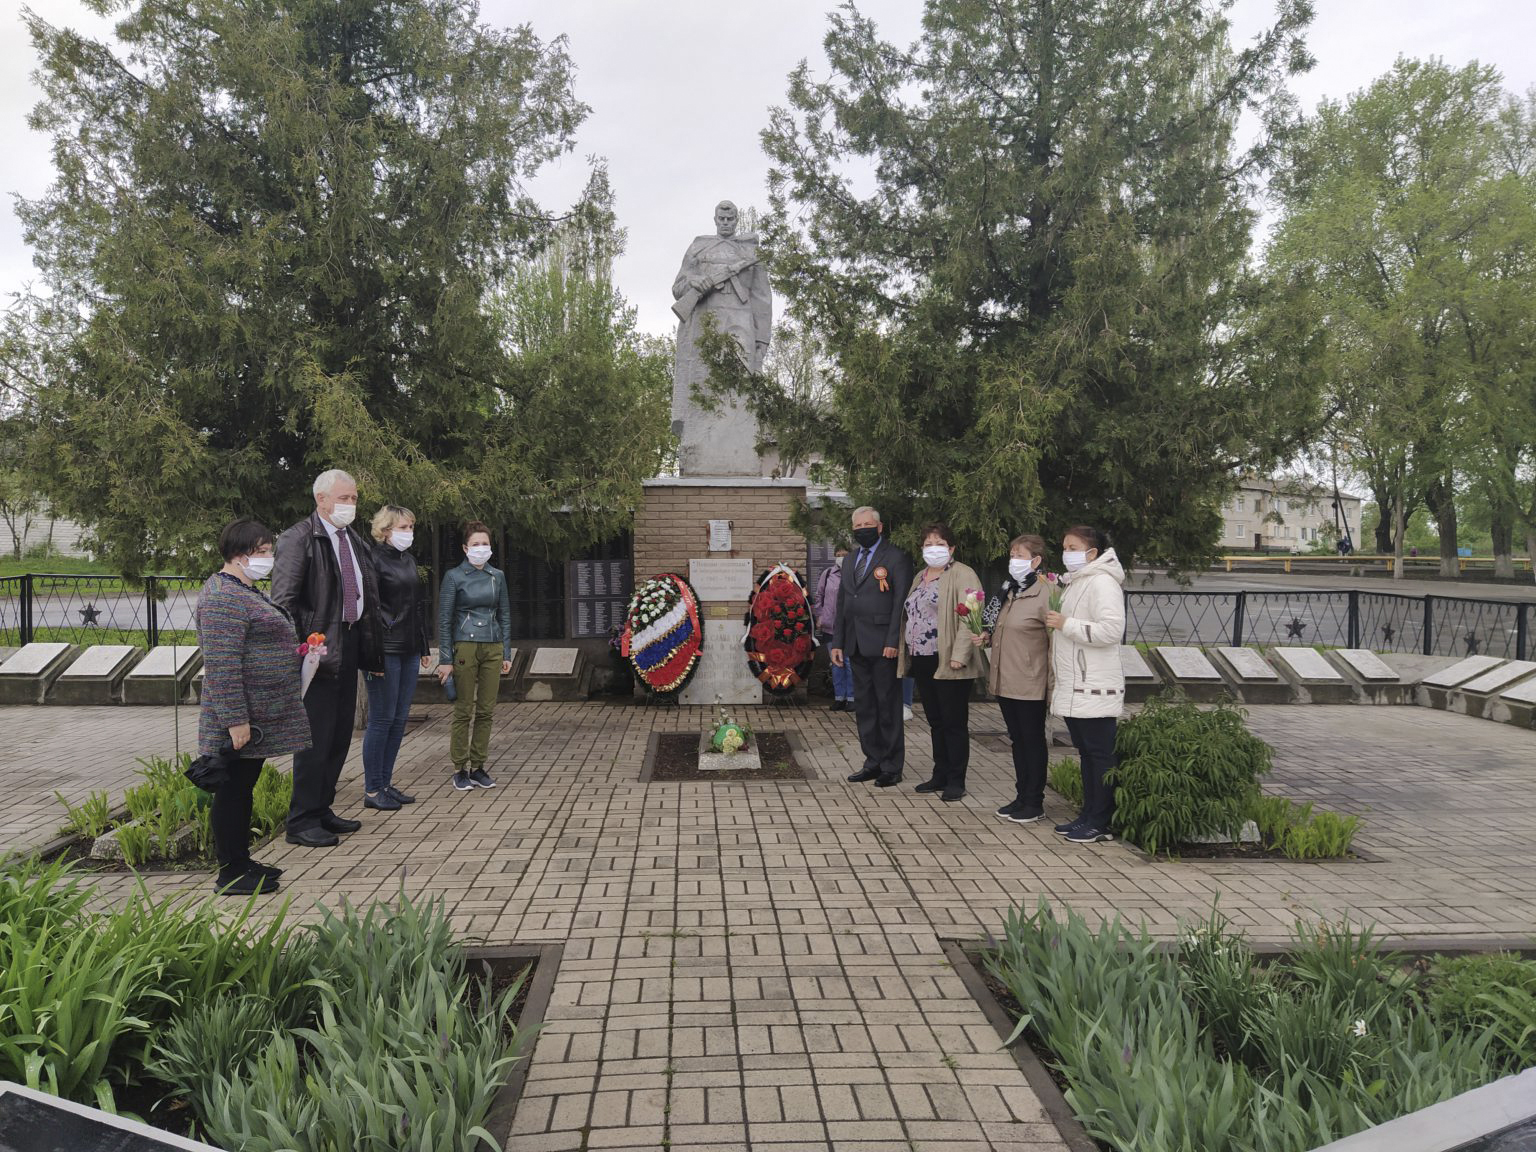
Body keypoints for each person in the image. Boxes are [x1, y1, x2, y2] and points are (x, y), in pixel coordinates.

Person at [195, 519, 310, 894]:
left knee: (243, 789)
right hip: (239, 719)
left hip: (259, 715)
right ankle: (230, 873)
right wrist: (235, 720)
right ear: (239, 554)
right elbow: (222, 665)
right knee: (232, 792)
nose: (268, 558)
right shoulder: (223, 597)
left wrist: (299, 653)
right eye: (261, 552)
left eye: (267, 550)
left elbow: (261, 641)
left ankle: (242, 860)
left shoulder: (244, 589)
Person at [272, 469, 383, 848]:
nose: (350, 505)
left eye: (353, 499)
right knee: (314, 739)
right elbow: (284, 603)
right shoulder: (299, 538)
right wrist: (305, 646)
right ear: (320, 499)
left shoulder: (352, 538)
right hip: (316, 653)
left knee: (338, 736)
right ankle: (301, 820)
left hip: (348, 643)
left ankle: (322, 809)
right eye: (343, 498)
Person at [670, 200, 774, 475]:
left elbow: (762, 298)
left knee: (741, 383)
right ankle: (702, 446)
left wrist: (762, 339)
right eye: (722, 218)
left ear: (736, 219)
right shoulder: (699, 246)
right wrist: (695, 282)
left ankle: (737, 448)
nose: (726, 223)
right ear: (715, 219)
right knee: (704, 381)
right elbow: (678, 287)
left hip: (741, 318)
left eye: (731, 218)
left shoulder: (749, 251)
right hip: (706, 320)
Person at [1046, 524, 1126, 845]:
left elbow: (1111, 631)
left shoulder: (1103, 583)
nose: (1066, 553)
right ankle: (1087, 815)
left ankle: (1100, 822)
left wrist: (1067, 623)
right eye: (1064, 546)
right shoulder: (1076, 583)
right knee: (1087, 755)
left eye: (1073, 547)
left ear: (1091, 553)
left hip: (1094, 685)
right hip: (1074, 686)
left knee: (1100, 756)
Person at [896, 522, 985, 802]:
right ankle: (940, 773)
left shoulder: (964, 574)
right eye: (928, 544)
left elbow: (972, 616)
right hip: (922, 658)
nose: (933, 549)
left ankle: (956, 780)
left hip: (949, 659)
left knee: (953, 721)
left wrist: (960, 654)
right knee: (935, 720)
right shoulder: (920, 576)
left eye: (939, 543)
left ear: (952, 548)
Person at [830, 506, 913, 787]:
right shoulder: (851, 558)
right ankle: (872, 761)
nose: (862, 528)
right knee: (865, 707)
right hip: (854, 642)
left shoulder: (896, 557)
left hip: (883, 644)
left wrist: (893, 641)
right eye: (857, 525)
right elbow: (843, 602)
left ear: (879, 527)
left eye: (868, 524)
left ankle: (891, 765)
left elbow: (901, 602)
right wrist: (838, 642)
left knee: (887, 706)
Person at [361, 505, 431, 812]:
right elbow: (368, 611)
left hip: (409, 647)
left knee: (399, 719)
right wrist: (372, 654)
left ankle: (386, 782)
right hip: (385, 649)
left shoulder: (408, 559)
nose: (409, 533)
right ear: (385, 530)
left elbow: (416, 606)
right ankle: (373, 788)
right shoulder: (372, 560)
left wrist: (424, 646)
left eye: (411, 527)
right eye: (403, 527)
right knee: (382, 719)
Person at [981, 534, 1052, 823]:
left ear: (1035, 561)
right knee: (1018, 740)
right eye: (1012, 554)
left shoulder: (1046, 593)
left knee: (1032, 740)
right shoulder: (1009, 590)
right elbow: (998, 626)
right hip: (1005, 678)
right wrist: (985, 634)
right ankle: (1021, 796)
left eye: (1020, 555)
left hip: (1030, 681)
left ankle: (1034, 802)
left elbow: (1053, 641)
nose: (1014, 560)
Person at [436, 521, 512, 791]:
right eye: (476, 544)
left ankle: (479, 766)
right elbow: (444, 619)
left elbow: (504, 614)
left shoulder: (497, 576)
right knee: (463, 710)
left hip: (492, 645)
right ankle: (459, 768)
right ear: (465, 548)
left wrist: (506, 651)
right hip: (464, 646)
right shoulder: (454, 577)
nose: (481, 549)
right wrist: (445, 658)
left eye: (485, 544)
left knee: (486, 710)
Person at [815, 547, 854, 711]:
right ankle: (839, 697)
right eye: (838, 555)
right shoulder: (828, 574)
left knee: (849, 663)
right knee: (836, 663)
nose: (841, 558)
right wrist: (820, 615)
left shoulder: (854, 573)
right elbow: (819, 596)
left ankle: (852, 698)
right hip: (831, 627)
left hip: (850, 627)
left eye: (844, 555)